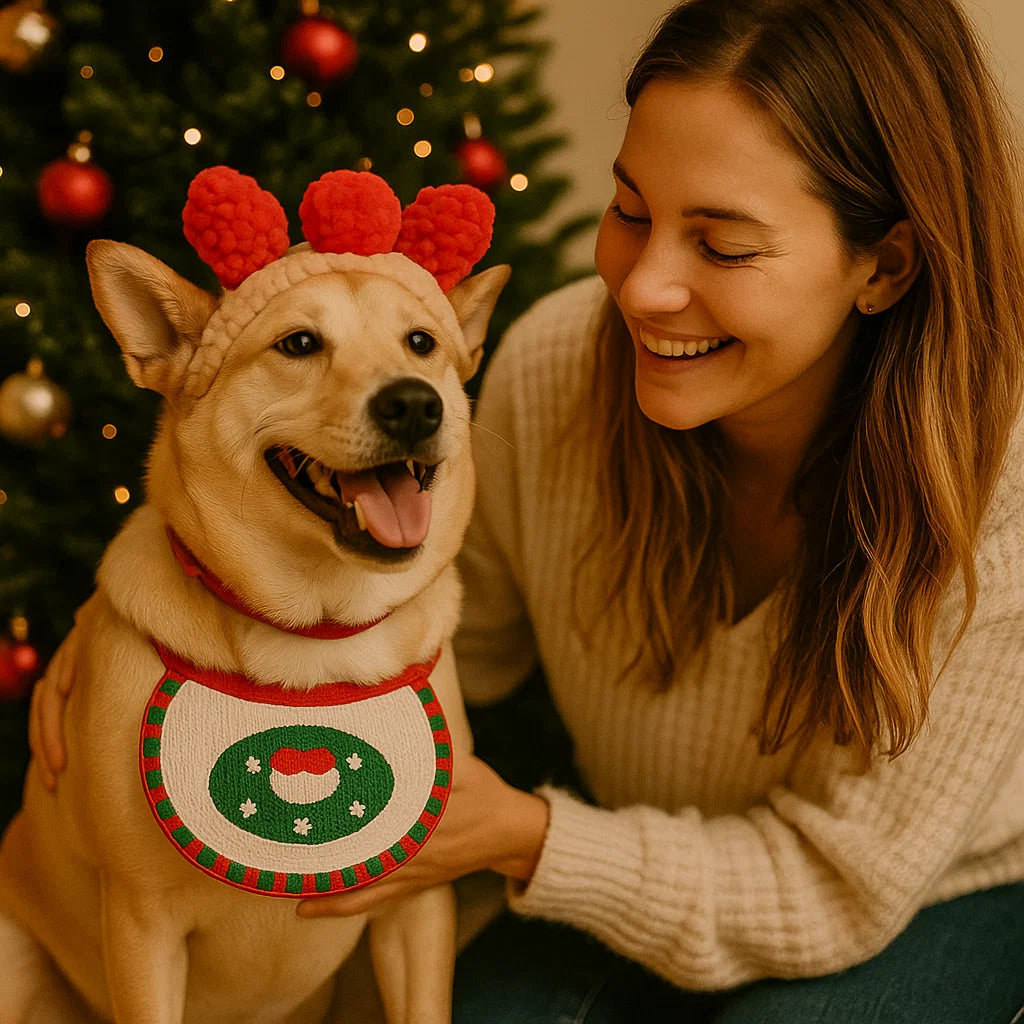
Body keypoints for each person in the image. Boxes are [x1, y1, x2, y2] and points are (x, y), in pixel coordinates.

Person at [27, 0, 1024, 1020]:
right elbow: (443, 631)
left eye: (723, 246)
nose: (642, 290)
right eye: (629, 210)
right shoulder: (555, 366)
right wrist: (142, 629)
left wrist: (527, 838)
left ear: (883, 266)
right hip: (621, 843)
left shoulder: (1003, 498)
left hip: (916, 899)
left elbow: (838, 891)